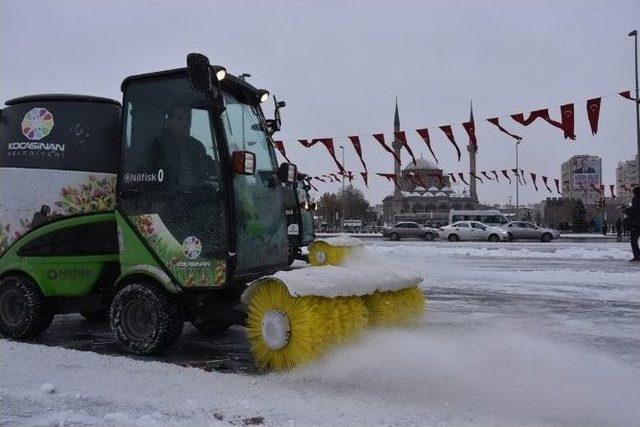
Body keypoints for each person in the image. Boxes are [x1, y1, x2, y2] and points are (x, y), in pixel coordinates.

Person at [624, 187, 640, 262]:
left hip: (636, 223)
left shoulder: (636, 199)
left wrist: (626, 210)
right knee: (634, 240)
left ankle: (637, 256)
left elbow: (635, 209)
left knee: (633, 240)